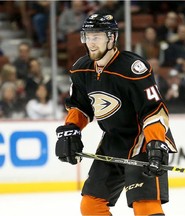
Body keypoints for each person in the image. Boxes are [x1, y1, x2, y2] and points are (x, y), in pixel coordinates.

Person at [55, 12, 177, 216]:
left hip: (144, 142)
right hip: (113, 143)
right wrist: (71, 130)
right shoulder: (80, 69)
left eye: (97, 37)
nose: (91, 43)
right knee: (91, 206)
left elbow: (153, 110)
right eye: (88, 37)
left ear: (111, 38)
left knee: (145, 207)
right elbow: (80, 107)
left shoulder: (133, 69)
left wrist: (156, 143)